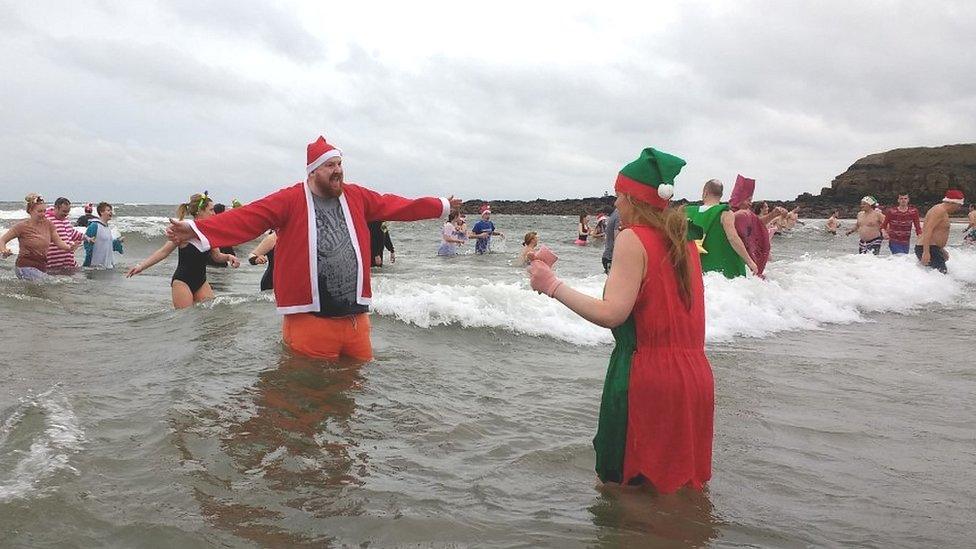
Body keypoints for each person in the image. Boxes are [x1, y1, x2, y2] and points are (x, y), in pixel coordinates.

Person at [163, 135, 461, 360]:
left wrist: (441, 206)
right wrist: (195, 228)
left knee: (352, 402)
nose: (338, 171)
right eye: (330, 165)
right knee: (305, 402)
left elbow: (397, 205)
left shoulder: (356, 196)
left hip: (356, 321)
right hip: (310, 322)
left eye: (340, 164)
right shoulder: (290, 200)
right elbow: (249, 217)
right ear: (313, 172)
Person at [527, 147, 712, 493]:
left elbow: (613, 313)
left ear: (633, 198)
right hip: (694, 375)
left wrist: (550, 284)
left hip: (645, 374)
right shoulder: (683, 239)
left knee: (619, 485)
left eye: (618, 196)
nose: (616, 205)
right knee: (679, 487)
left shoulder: (632, 238)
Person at [126, 193, 240, 308]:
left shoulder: (209, 232)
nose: (214, 213)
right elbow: (163, 252)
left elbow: (216, 256)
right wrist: (141, 267)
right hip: (182, 281)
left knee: (209, 316)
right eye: (210, 210)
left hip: (202, 282)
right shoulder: (185, 230)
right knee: (184, 319)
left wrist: (229, 257)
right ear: (200, 211)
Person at [684, 179, 758, 278]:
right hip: (720, 271)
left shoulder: (688, 212)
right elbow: (733, 238)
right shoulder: (724, 212)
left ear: (705, 192)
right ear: (721, 195)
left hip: (695, 267)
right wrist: (750, 262)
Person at [0, 194, 81, 280]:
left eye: (44, 211)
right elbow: (2, 240)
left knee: (43, 288)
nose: (43, 214)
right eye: (39, 211)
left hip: (41, 267)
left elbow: (59, 242)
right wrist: (4, 250)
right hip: (25, 266)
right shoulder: (22, 226)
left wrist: (70, 248)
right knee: (47, 286)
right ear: (30, 210)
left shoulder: (49, 224)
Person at [728, 175, 784, 277]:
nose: (750, 203)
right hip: (737, 259)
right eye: (748, 200)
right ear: (740, 199)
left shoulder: (744, 214)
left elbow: (756, 223)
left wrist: (773, 215)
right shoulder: (737, 214)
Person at [916, 190, 964, 274]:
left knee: (938, 275)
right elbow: (927, 230)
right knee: (942, 274)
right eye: (959, 205)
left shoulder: (942, 211)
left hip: (933, 248)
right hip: (928, 248)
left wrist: (941, 249)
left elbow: (937, 232)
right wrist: (926, 252)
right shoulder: (939, 211)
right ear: (953, 203)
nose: (959, 208)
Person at [45, 197, 85, 273]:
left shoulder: (66, 220)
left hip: (68, 262)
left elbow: (72, 233)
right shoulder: (46, 220)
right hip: (52, 263)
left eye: (68, 212)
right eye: (64, 211)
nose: (66, 214)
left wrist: (86, 237)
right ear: (56, 208)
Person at [83, 202, 124, 268]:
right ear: (101, 212)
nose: (111, 212)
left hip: (106, 266)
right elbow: (86, 242)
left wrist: (118, 241)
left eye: (111, 210)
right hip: (95, 266)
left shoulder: (107, 227)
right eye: (108, 210)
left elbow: (107, 244)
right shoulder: (94, 225)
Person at [207, 202, 238, 267]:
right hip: (219, 264)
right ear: (222, 213)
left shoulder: (210, 225)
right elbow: (228, 247)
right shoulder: (222, 227)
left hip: (209, 264)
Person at [601, 208, 621, 274]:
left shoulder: (613, 216)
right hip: (611, 256)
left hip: (607, 255)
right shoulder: (618, 216)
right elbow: (617, 238)